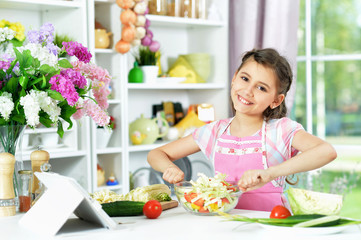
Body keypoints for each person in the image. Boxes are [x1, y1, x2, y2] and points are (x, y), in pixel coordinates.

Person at [147, 48, 337, 211]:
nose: (248, 91)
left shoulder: (281, 130)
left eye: (261, 88)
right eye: (244, 78)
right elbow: (157, 153)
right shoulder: (215, 131)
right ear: (234, 78)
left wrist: (271, 173)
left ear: (276, 101)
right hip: (225, 224)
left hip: (270, 227)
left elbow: (326, 151)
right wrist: (169, 168)